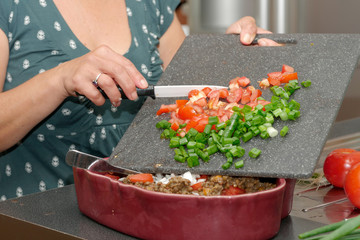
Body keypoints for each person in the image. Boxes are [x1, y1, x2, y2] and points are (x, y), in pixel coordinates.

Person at [0, 0, 279, 201]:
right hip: (37, 220)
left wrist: (232, 57)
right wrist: (60, 79)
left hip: (144, 212)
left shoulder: (150, 4)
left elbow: (190, 97)